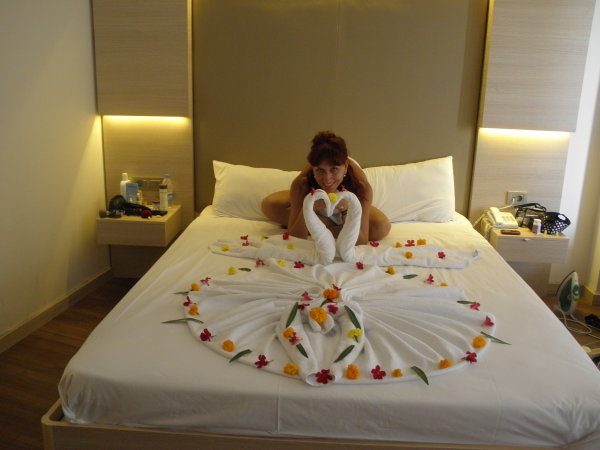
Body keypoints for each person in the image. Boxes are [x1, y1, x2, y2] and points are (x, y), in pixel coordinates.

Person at [261, 131, 391, 245]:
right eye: (320, 170)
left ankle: (320, 224)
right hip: (315, 205)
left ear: (345, 166)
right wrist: (308, 208)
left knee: (381, 226)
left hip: (347, 209)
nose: (327, 179)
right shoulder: (302, 182)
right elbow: (295, 236)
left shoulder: (360, 185)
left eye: (334, 169)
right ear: (313, 168)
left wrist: (346, 211)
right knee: (269, 204)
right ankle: (323, 223)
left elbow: (361, 240)